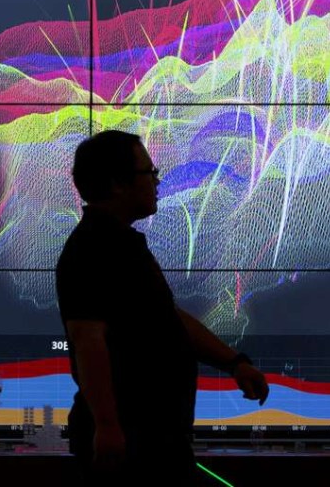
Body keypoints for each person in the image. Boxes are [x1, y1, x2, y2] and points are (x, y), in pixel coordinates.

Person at [56, 130, 269, 486]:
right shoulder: (92, 249)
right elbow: (87, 340)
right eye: (149, 172)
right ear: (117, 184)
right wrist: (108, 426)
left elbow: (167, 318)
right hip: (132, 445)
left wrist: (233, 362)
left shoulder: (123, 246)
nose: (157, 180)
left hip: (155, 440)